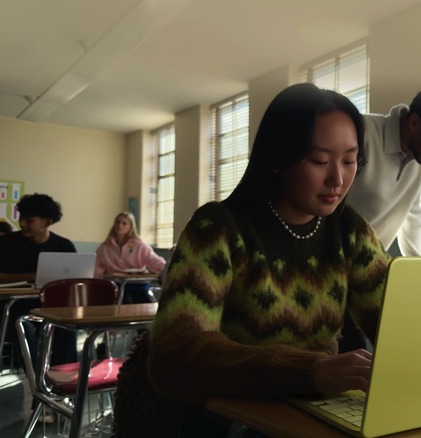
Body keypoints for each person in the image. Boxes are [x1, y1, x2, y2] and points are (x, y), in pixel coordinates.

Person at [113, 83, 391, 437]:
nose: (337, 179)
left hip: (313, 411)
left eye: (350, 161)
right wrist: (309, 372)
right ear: (279, 158)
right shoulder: (217, 229)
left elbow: (393, 319)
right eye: (319, 161)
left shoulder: (348, 229)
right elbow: (176, 356)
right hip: (228, 420)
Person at [347, 86, 421, 256]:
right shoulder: (362, 132)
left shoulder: (419, 166)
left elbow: (414, 215)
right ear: (414, 123)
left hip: (366, 263)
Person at [0, 193, 78, 367]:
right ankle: (39, 377)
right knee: (23, 327)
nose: (22, 224)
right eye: (21, 218)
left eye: (29, 220)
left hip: (53, 306)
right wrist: (30, 276)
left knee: (67, 328)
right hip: (13, 306)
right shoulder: (6, 244)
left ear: (48, 222)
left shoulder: (63, 246)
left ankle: (64, 376)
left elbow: (75, 280)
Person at [95, 211, 166, 303]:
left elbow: (154, 260)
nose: (120, 225)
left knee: (149, 303)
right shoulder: (105, 247)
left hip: (138, 285)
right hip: (115, 285)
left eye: (124, 223)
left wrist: (167, 269)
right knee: (124, 300)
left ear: (131, 226)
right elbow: (97, 267)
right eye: (117, 222)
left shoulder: (140, 246)